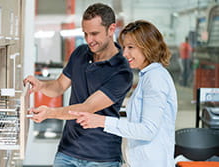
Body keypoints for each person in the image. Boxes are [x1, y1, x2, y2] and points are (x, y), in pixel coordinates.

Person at [24, 3, 133, 167]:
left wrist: (50, 113)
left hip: (102, 157)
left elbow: (86, 108)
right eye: (85, 33)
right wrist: (41, 86)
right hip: (67, 152)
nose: (89, 40)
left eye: (94, 34)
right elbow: (59, 86)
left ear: (111, 29)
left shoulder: (122, 71)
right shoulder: (80, 53)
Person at [70, 20, 177, 167]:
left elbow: (148, 130)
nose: (125, 53)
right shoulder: (148, 76)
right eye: (124, 47)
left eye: (131, 47)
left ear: (148, 46)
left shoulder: (155, 78)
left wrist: (101, 121)